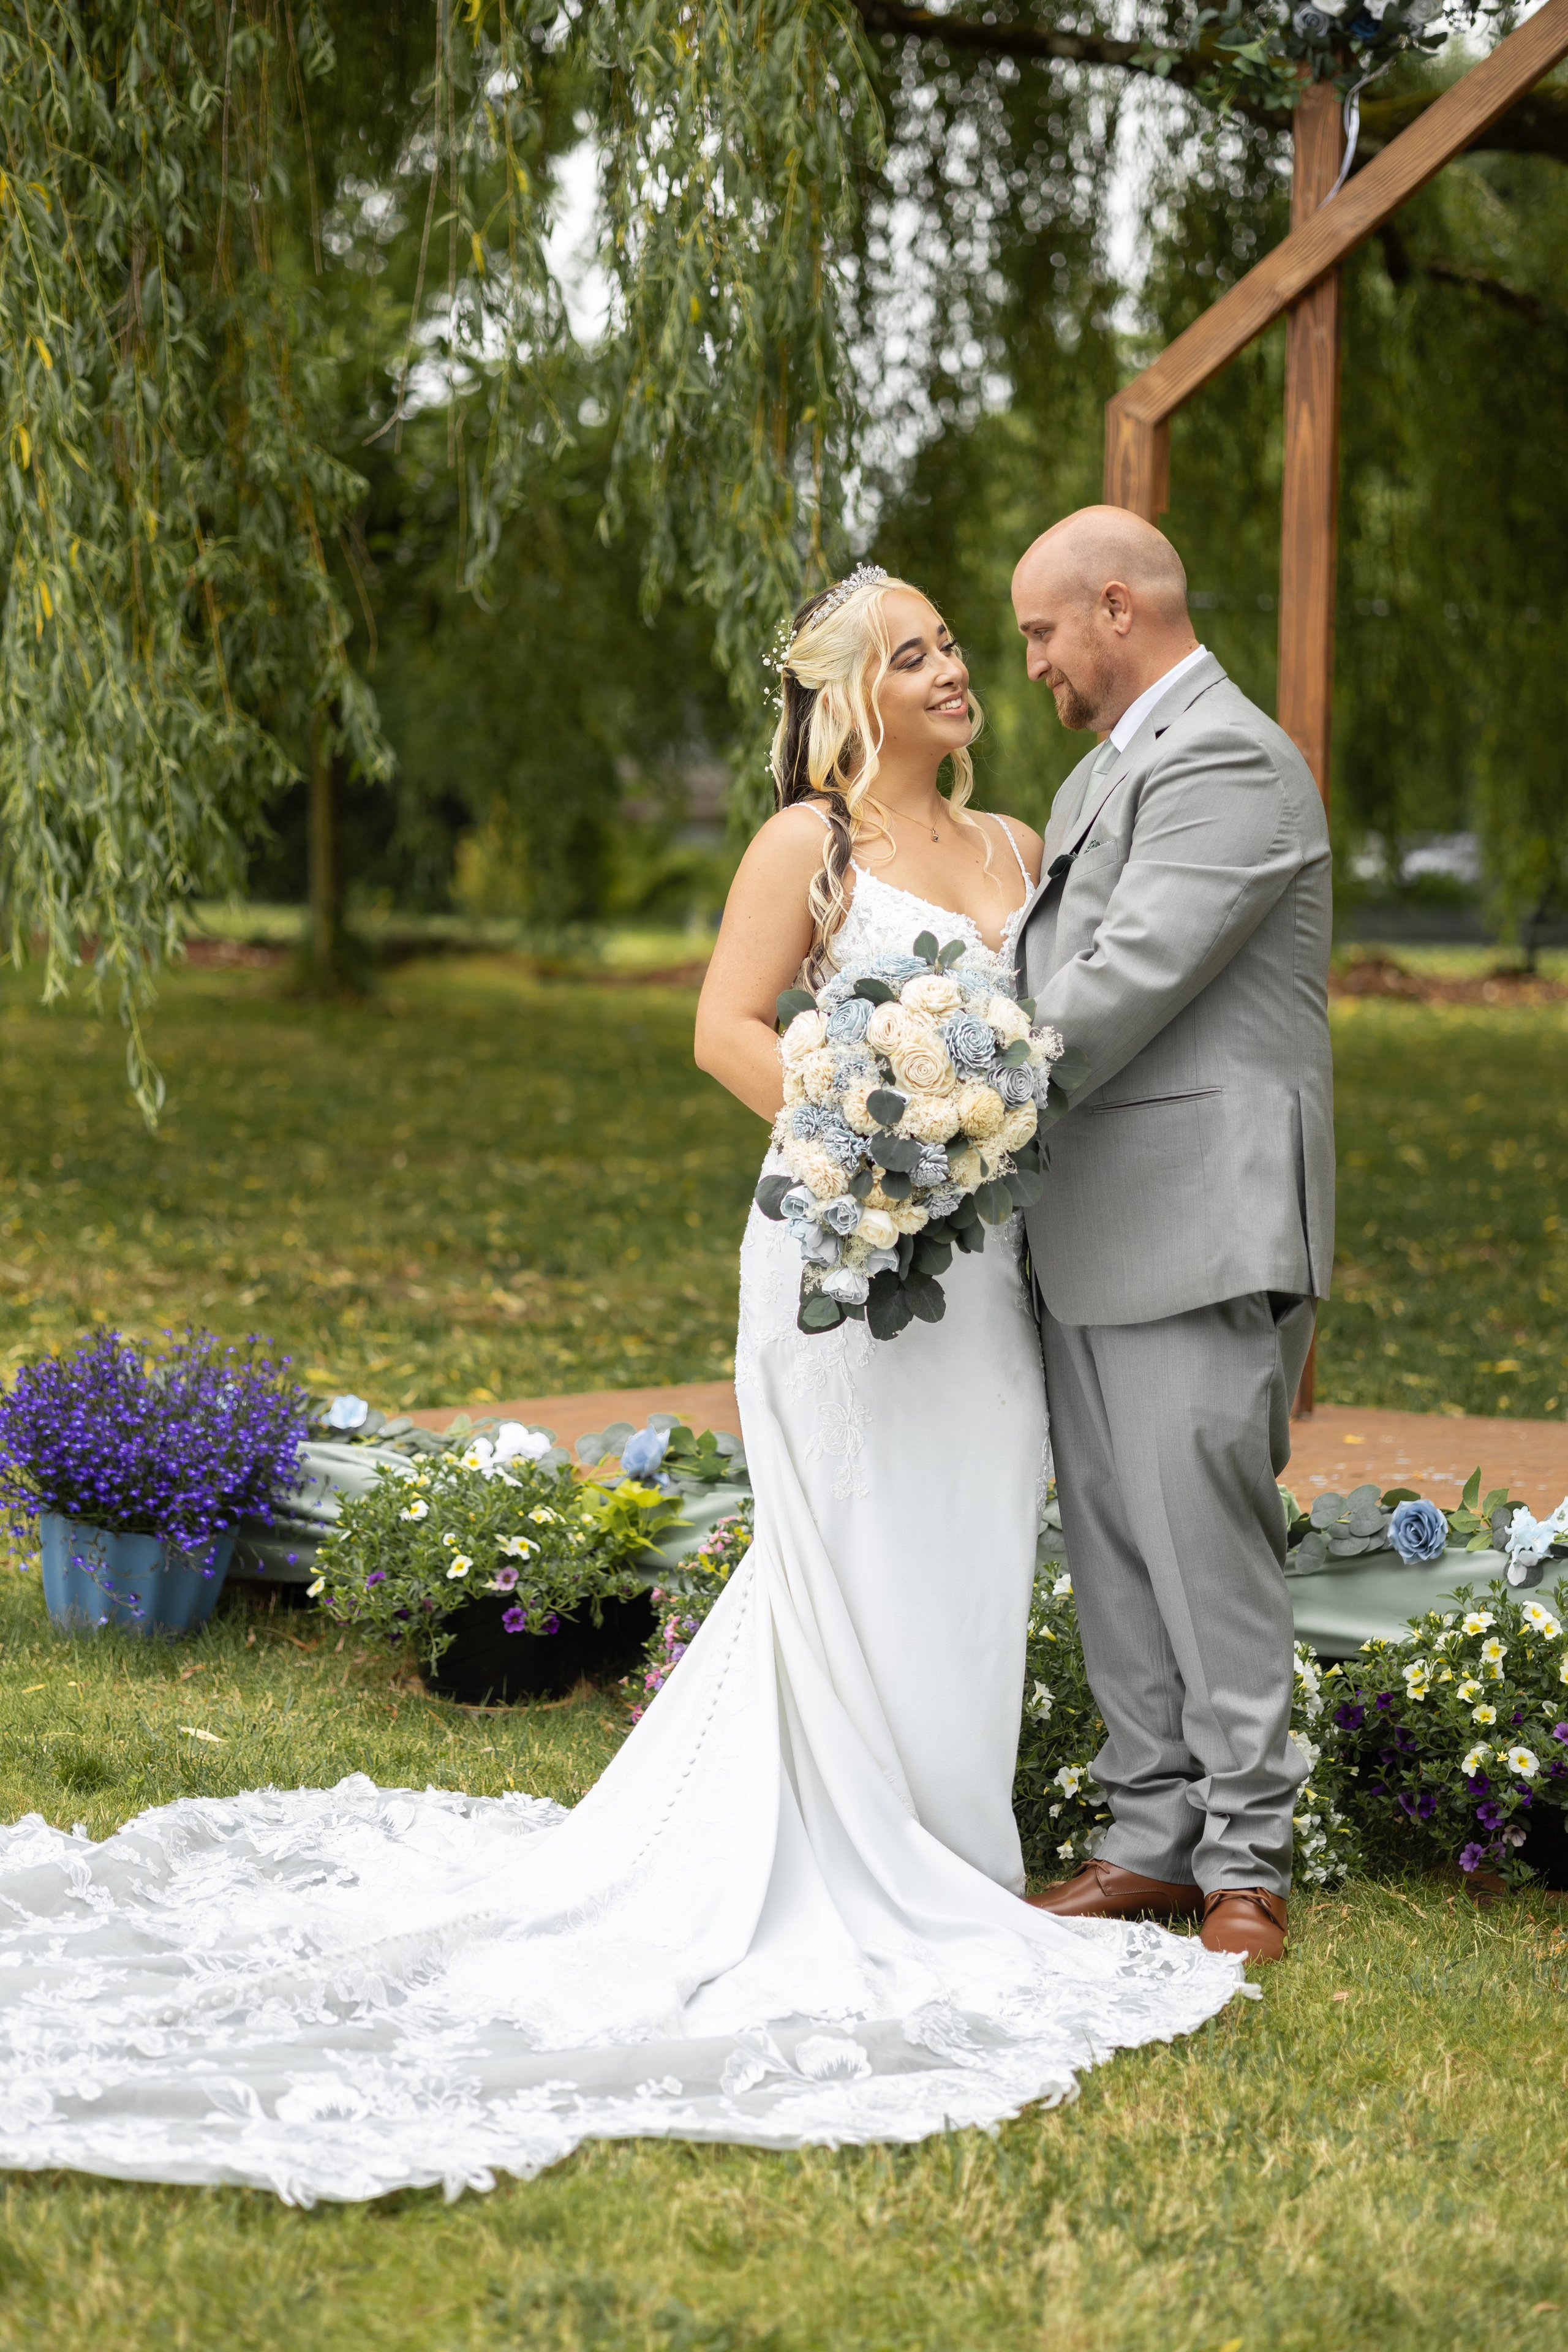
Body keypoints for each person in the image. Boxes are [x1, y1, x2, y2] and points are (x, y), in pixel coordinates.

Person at [0, 566, 1240, 2208]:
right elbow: (725, 1026)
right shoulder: (814, 848)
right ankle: (841, 1859)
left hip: (986, 1270)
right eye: (918, 652)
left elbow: (1044, 1037)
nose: (954, 671)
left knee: (964, 1532)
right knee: (846, 1545)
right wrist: (861, 1143)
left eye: (956, 647)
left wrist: (966, 1144)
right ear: (853, 693)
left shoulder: (1018, 848)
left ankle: (949, 1850)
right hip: (837, 1246)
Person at [1011, 507, 1333, 1965]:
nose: (1028, 664)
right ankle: (1148, 1836)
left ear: (1116, 605)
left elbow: (1127, 973)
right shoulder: (1102, 769)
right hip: (1082, 1207)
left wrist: (947, 1094)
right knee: (1116, 1542)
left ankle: (1245, 1863)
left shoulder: (1228, 760)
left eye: (1038, 632)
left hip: (1198, 1207)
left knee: (1203, 1540)